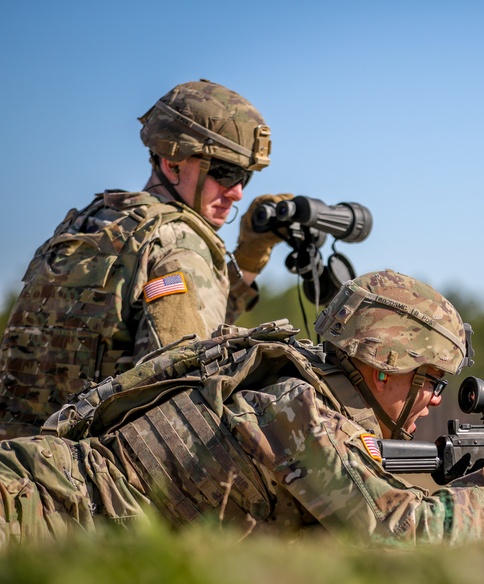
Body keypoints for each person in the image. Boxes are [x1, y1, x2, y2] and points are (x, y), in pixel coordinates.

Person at [0, 270, 484, 549]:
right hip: (32, 514)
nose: (434, 398)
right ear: (385, 364)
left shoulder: (292, 380)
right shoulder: (299, 411)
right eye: (430, 380)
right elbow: (399, 532)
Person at [0, 79, 289, 439]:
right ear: (172, 161)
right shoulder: (180, 244)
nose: (238, 192)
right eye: (225, 172)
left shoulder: (94, 220)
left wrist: (248, 257)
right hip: (83, 475)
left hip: (19, 463)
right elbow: (178, 393)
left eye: (244, 175)